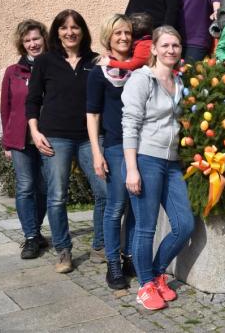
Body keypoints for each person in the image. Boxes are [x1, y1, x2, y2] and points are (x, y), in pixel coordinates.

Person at [26, 10, 107, 273]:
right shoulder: (45, 61)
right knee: (57, 196)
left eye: (75, 27)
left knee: (105, 192)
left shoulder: (95, 61)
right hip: (55, 136)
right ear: (57, 32)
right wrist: (35, 131)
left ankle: (100, 245)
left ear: (83, 31)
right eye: (64, 28)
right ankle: (63, 250)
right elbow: (32, 100)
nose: (69, 32)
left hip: (89, 137)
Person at [121, 26, 195, 311]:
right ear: (153, 48)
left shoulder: (179, 81)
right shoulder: (141, 79)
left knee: (184, 224)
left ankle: (156, 272)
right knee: (146, 227)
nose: (171, 50)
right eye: (165, 45)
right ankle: (145, 285)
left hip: (172, 162)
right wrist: (132, 169)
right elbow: (130, 124)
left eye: (175, 45)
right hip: (145, 159)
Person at [86, 14, 137, 290]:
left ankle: (129, 256)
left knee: (135, 206)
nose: (123, 37)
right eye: (118, 33)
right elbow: (92, 114)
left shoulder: (140, 68)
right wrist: (97, 152)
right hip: (115, 145)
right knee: (116, 206)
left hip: (141, 146)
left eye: (127, 32)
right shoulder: (100, 72)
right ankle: (113, 263)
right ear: (109, 37)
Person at [0, 19, 50, 260]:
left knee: (44, 188)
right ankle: (30, 236)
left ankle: (36, 231)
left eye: (36, 38)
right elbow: (6, 107)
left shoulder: (53, 67)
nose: (33, 44)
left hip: (47, 138)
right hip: (19, 140)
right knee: (25, 186)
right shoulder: (13, 72)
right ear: (22, 44)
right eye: (27, 40)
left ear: (44, 39)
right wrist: (6, 142)